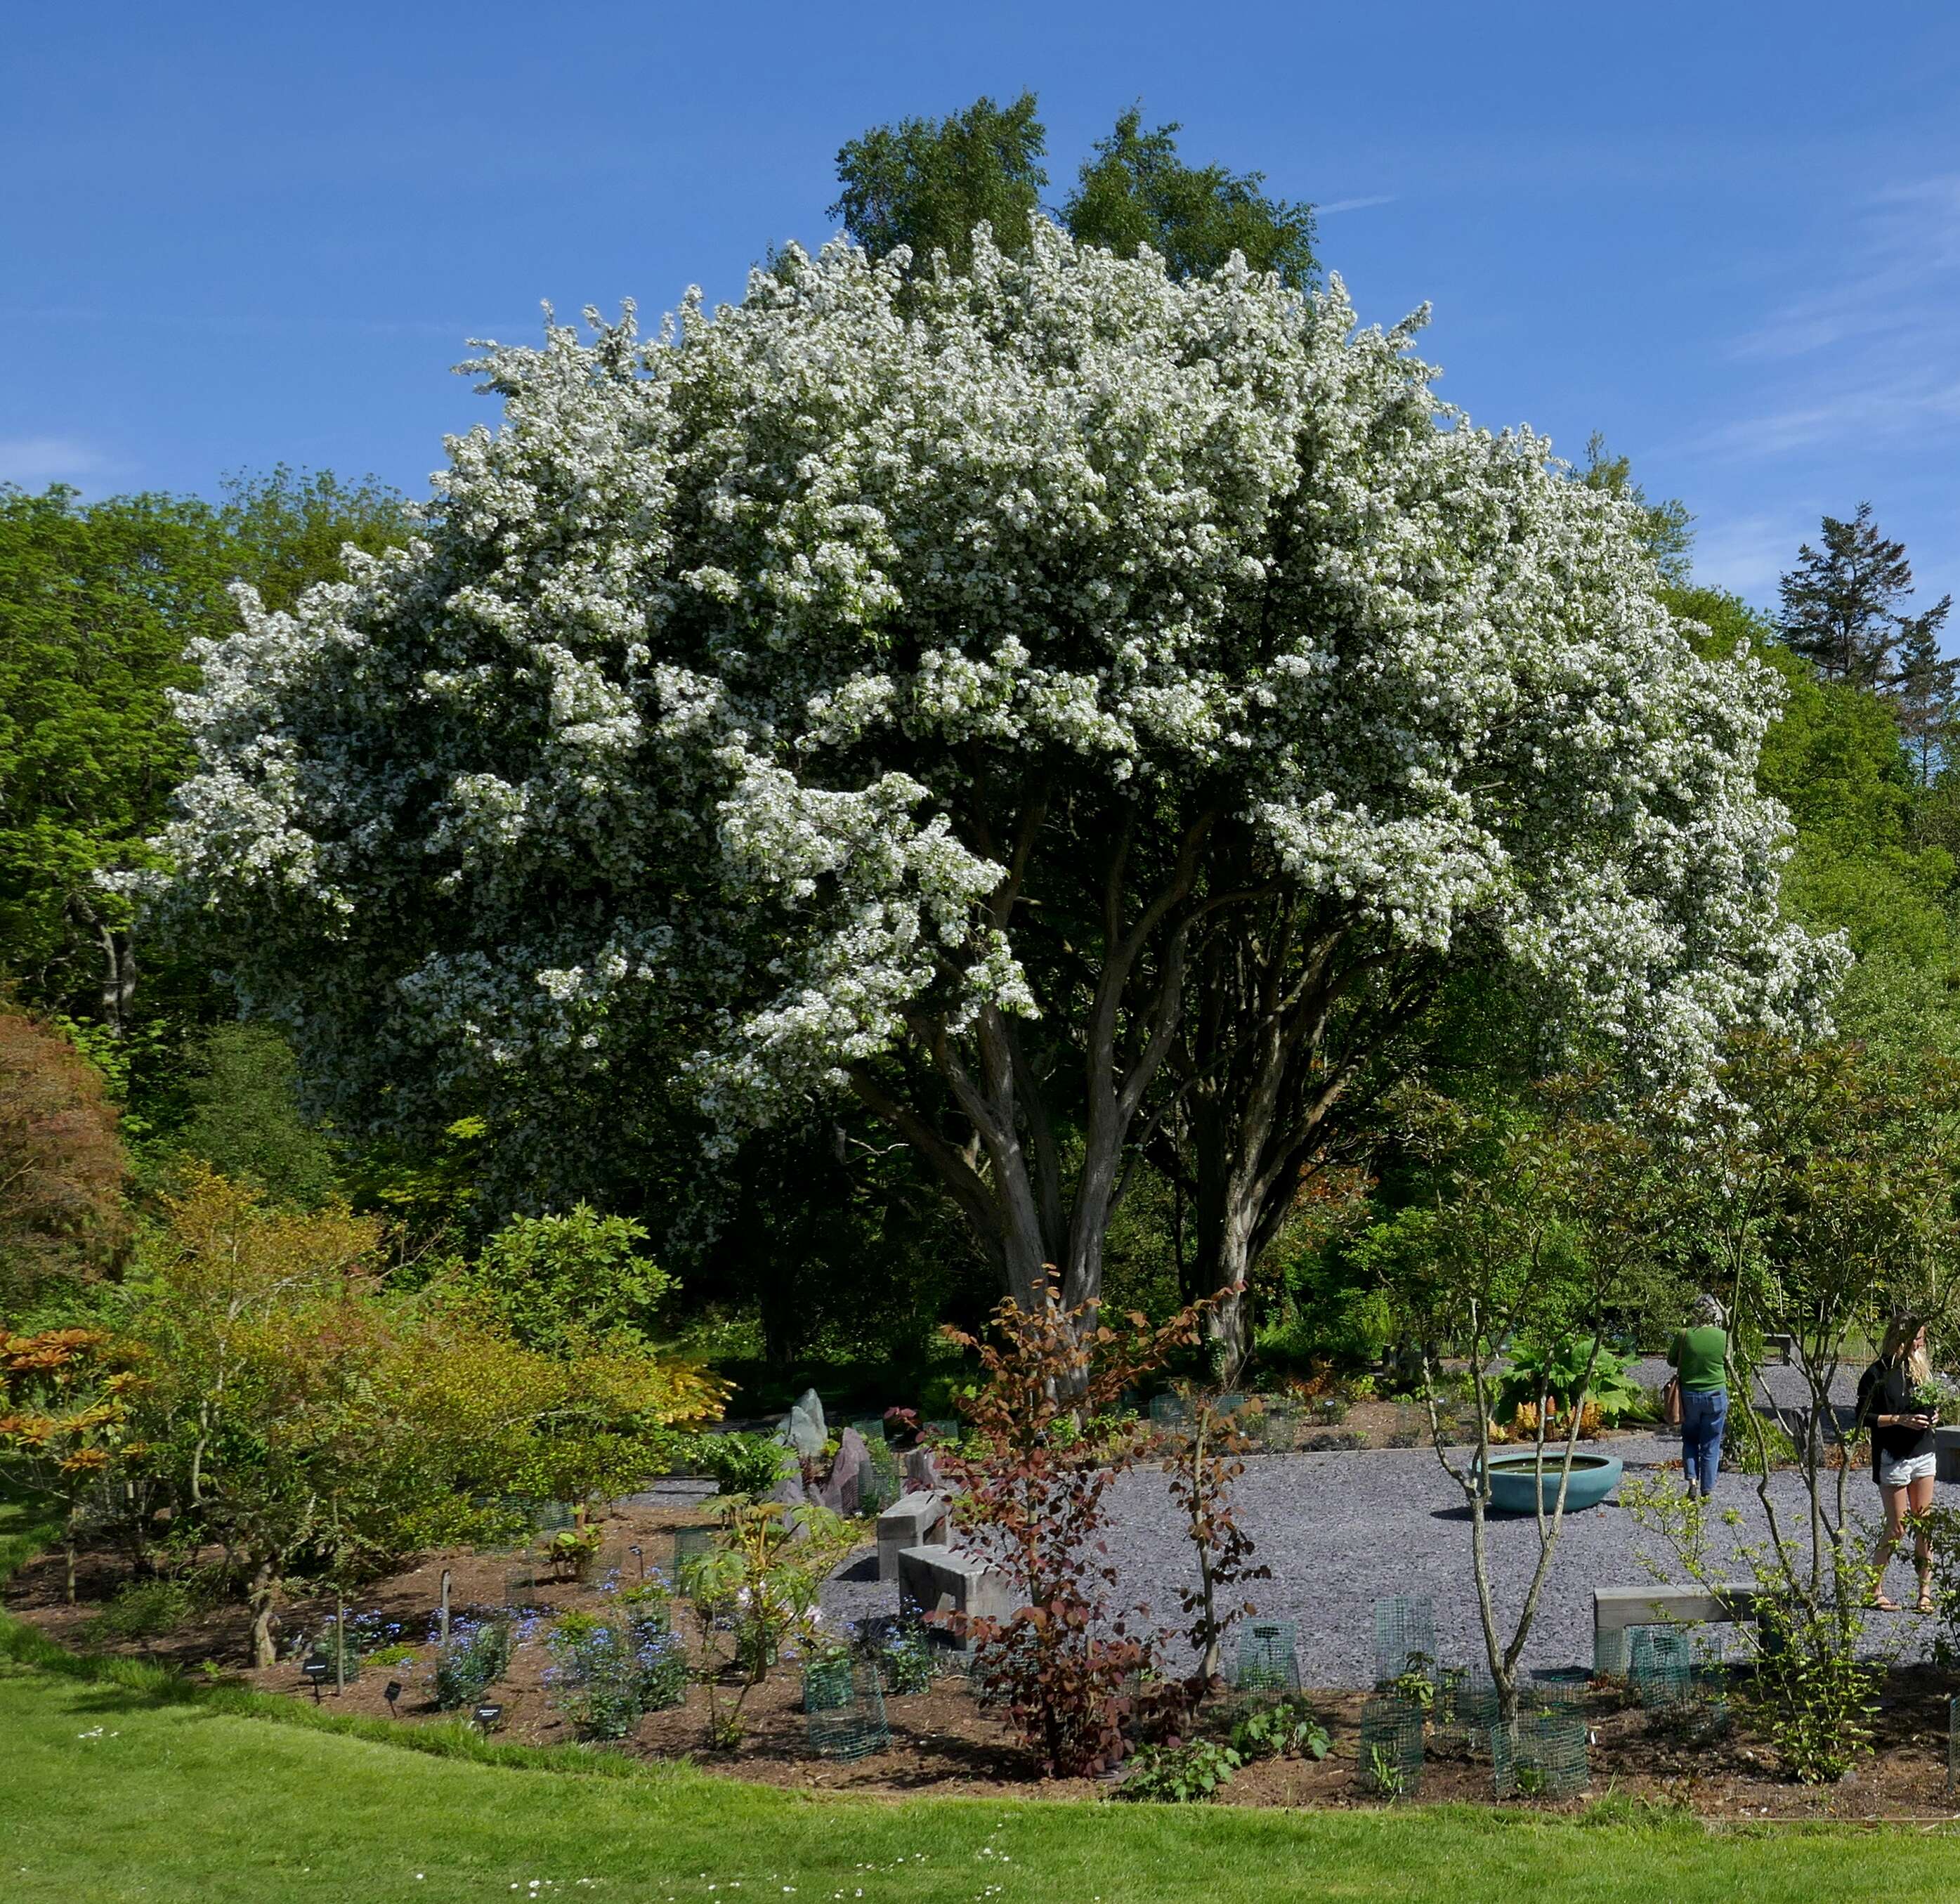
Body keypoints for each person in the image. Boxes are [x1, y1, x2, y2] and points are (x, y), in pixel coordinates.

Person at [1857, 1315, 1939, 1614]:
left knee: (1924, 1524)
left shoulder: (1921, 1370)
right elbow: (1862, 1417)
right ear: (1897, 1340)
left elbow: (1929, 1403)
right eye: (1915, 1339)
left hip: (1923, 1452)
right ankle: (1874, 1588)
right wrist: (1898, 1420)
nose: (1920, 1345)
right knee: (1898, 1528)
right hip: (1892, 1456)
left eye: (1922, 1339)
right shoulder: (1877, 1374)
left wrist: (1934, 1415)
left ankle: (1924, 1592)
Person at [1668, 1294, 1730, 1500]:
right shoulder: (1724, 1337)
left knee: (1690, 1439)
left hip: (1689, 1396)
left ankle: (1692, 1481)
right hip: (1716, 1394)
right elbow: (1730, 1363)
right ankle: (1707, 1489)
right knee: (1712, 1443)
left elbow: (1671, 1360)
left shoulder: (1684, 1335)